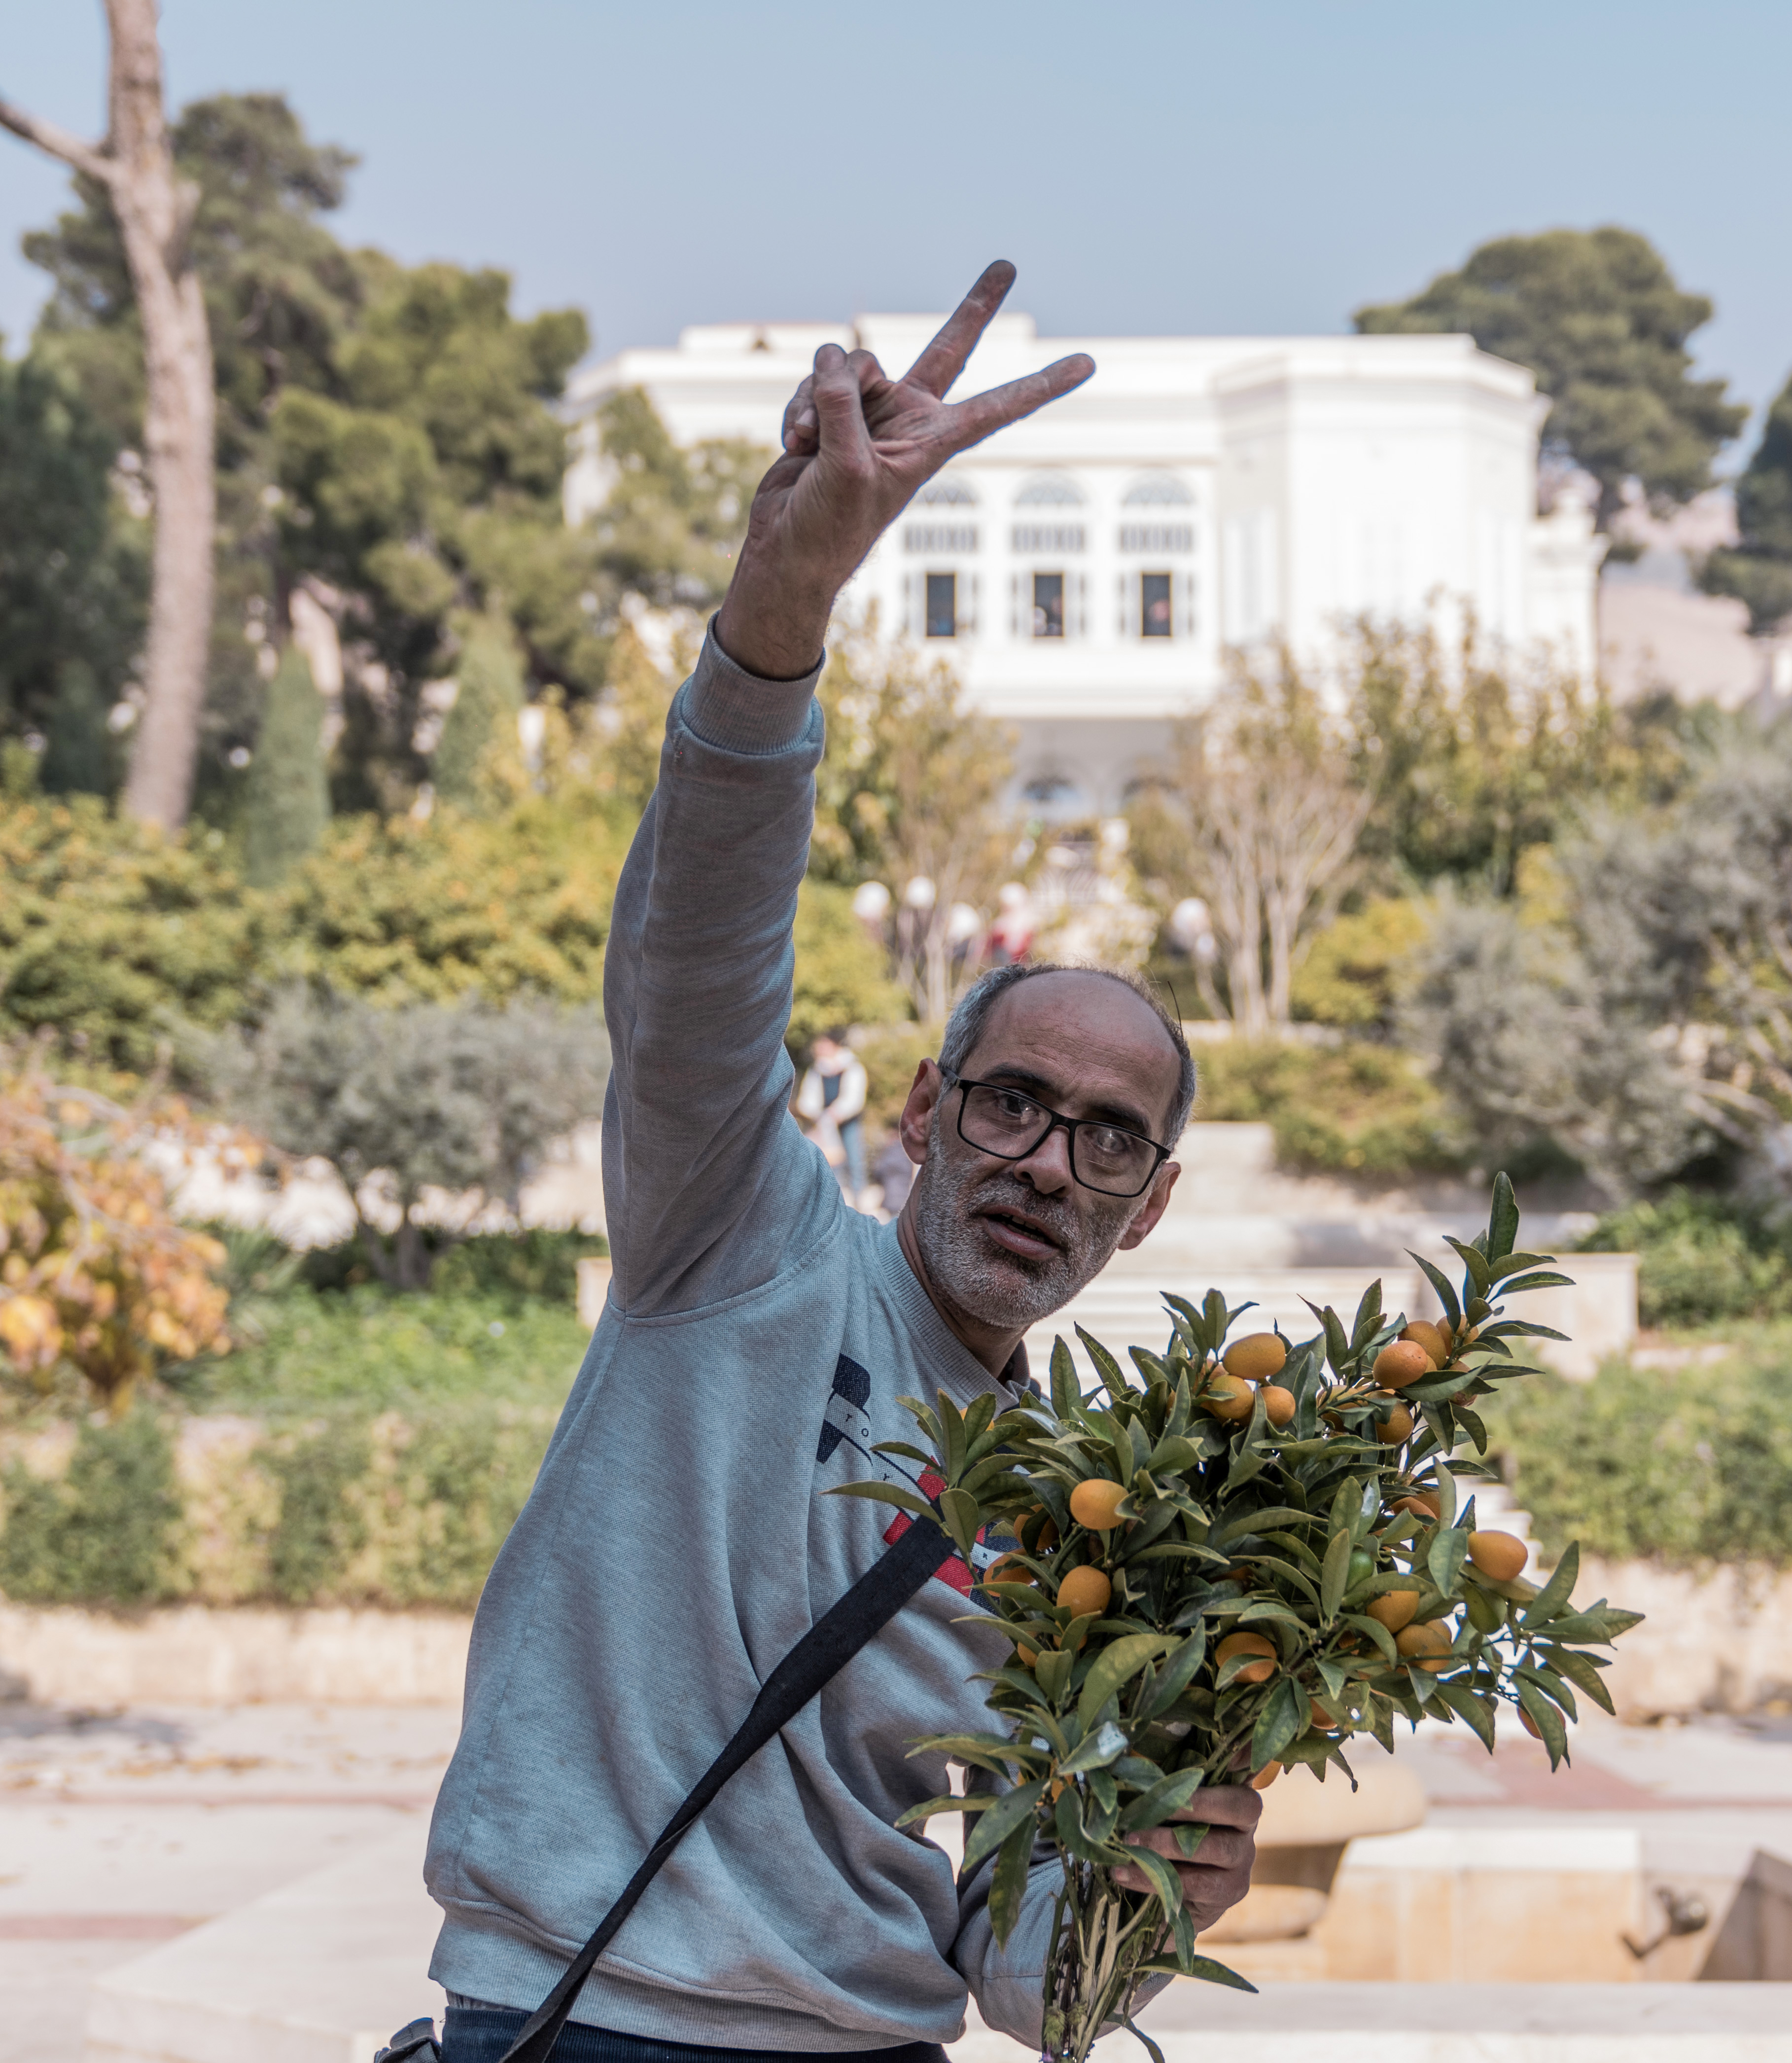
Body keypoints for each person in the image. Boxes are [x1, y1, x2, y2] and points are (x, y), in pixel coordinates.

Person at [423, 264, 1259, 2063]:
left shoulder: (1084, 1531)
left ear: (1151, 1206)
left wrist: (1150, 1879)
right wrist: (782, 605)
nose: (1047, 1161)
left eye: (1109, 1138)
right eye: (1014, 1101)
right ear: (919, 1114)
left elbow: (1032, 1988)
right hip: (573, 2025)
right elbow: (700, 952)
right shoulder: (733, 1240)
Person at [795, 1032, 871, 1202]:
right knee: (828, 1160)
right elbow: (808, 1098)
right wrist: (819, 1115)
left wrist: (837, 1112)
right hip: (823, 1123)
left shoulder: (852, 1067)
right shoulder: (816, 1070)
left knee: (855, 1160)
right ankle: (832, 1200)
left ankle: (858, 1198)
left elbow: (855, 1097)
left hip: (848, 1121)